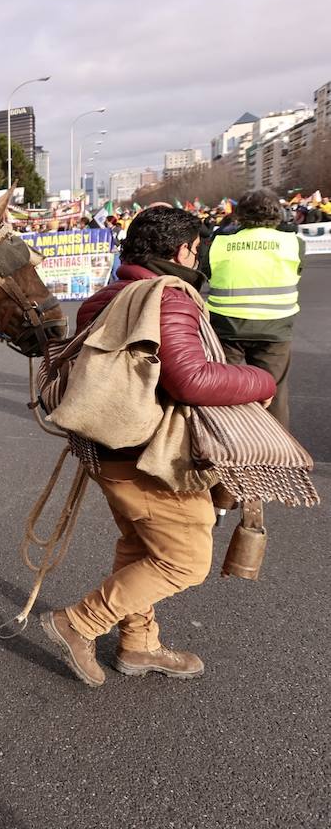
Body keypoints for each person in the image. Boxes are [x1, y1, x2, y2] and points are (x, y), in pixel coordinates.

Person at [42, 206, 275, 687]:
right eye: (198, 249)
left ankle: (140, 644)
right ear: (183, 250)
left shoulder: (102, 298)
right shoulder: (166, 297)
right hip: (150, 457)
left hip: (105, 452)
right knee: (184, 560)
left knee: (139, 544)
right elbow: (190, 379)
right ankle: (77, 624)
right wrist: (259, 378)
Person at [204, 191, 302, 429]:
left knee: (226, 391)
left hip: (226, 327)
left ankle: (228, 444)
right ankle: (278, 452)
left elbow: (207, 274)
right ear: (277, 214)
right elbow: (297, 272)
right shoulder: (294, 243)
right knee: (275, 391)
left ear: (239, 215)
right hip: (275, 327)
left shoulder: (220, 243)